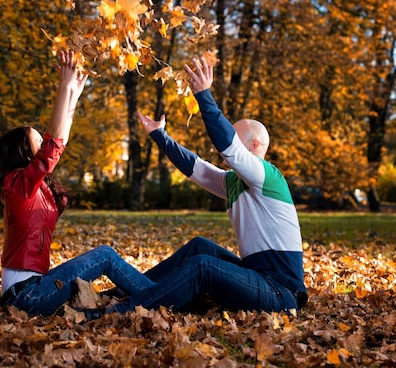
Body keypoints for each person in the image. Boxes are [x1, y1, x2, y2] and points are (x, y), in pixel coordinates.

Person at [97, 56, 307, 317]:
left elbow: (228, 147)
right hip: (256, 277)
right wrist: (160, 136)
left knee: (204, 265)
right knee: (200, 247)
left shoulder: (268, 177)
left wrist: (204, 95)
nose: (227, 138)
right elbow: (196, 168)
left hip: (280, 292)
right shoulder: (234, 182)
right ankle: (126, 292)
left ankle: (119, 312)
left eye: (235, 134)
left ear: (254, 147)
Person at [0, 50, 153, 317]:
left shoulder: (35, 187)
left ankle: (160, 290)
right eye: (37, 139)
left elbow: (58, 143)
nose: (43, 141)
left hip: (35, 288)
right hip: (25, 296)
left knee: (108, 273)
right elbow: (54, 145)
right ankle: (165, 295)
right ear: (23, 151)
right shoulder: (15, 185)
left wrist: (73, 96)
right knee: (105, 255)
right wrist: (64, 86)